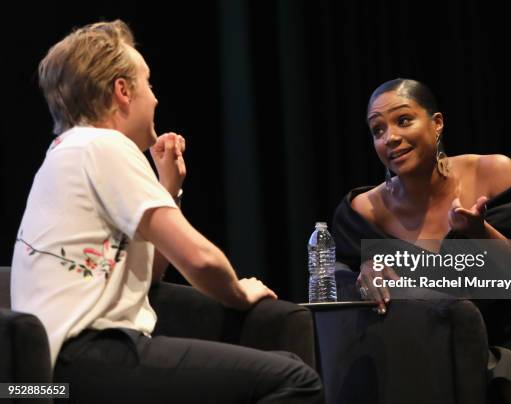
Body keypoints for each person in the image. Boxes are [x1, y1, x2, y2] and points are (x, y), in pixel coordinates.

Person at [11, 20, 323, 403]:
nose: (155, 99)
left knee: (275, 368)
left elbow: (150, 275)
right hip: (83, 362)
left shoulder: (69, 151)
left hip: (46, 376)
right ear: (122, 91)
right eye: (149, 84)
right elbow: (200, 259)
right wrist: (241, 293)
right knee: (297, 379)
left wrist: (168, 188)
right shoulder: (102, 146)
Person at [331, 78, 511, 404]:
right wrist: (364, 271)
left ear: (437, 124)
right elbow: (341, 289)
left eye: (403, 120)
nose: (390, 137)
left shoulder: (491, 172)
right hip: (472, 347)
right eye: (377, 130)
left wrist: (481, 233)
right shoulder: (364, 212)